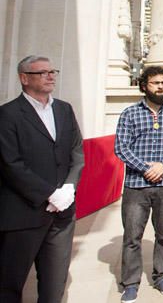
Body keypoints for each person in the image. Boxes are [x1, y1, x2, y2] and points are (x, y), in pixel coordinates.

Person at [0, 55, 84, 303]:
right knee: (10, 283)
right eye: (42, 72)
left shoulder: (64, 109)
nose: (50, 76)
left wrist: (69, 187)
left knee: (54, 284)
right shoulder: (8, 114)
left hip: (62, 214)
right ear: (24, 78)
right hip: (24, 215)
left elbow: (76, 153)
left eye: (52, 71)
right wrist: (50, 193)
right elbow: (10, 164)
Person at [114, 66, 163, 302]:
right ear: (144, 85)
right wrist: (146, 168)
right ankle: (131, 283)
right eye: (155, 83)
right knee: (132, 237)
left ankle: (162, 276)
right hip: (136, 185)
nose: (160, 87)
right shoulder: (129, 113)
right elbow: (121, 148)